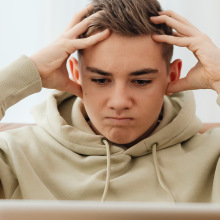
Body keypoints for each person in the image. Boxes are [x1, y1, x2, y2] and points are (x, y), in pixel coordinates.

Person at [0, 0, 220, 203]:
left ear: (171, 76)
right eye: (100, 79)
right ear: (76, 74)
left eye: (141, 81)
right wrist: (31, 71)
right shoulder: (15, 155)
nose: (119, 102)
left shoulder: (214, 155)